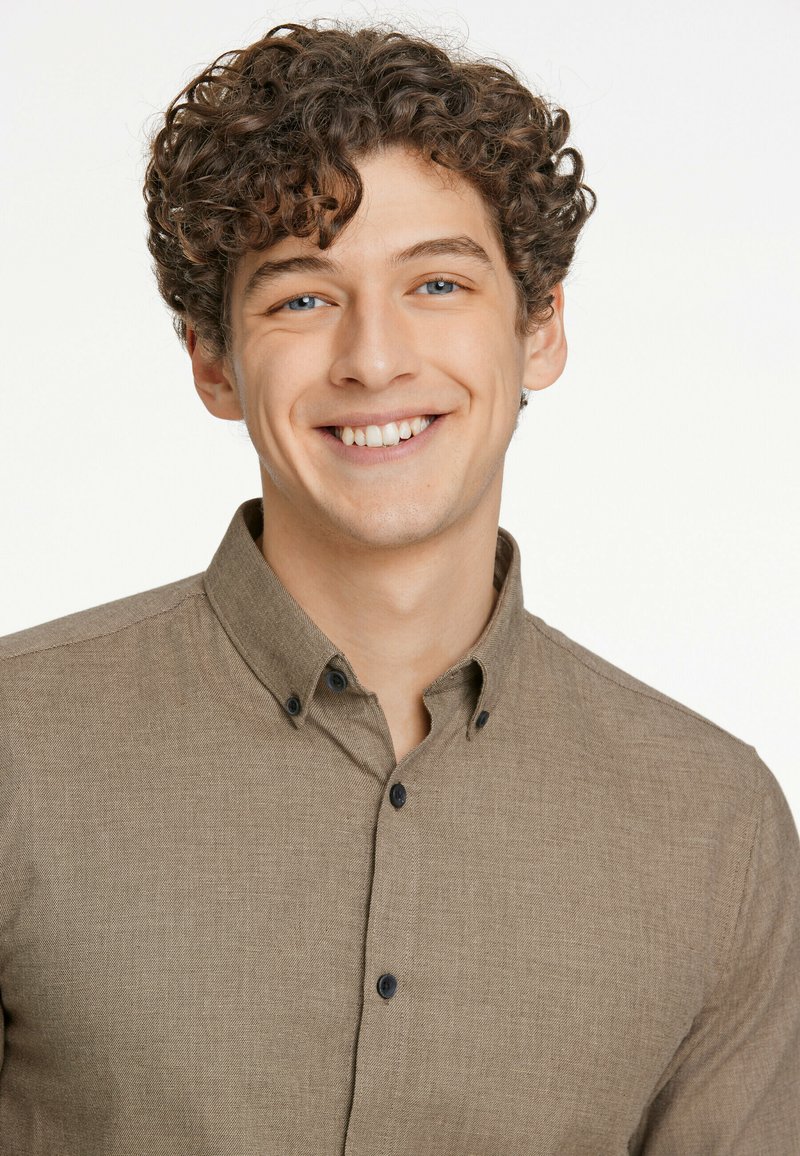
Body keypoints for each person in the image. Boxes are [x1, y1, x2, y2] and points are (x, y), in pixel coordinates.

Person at [0, 18, 797, 1155]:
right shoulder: (17, 750)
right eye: (301, 297)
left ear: (539, 328)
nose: (374, 358)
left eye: (436, 282)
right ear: (212, 361)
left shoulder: (715, 827)